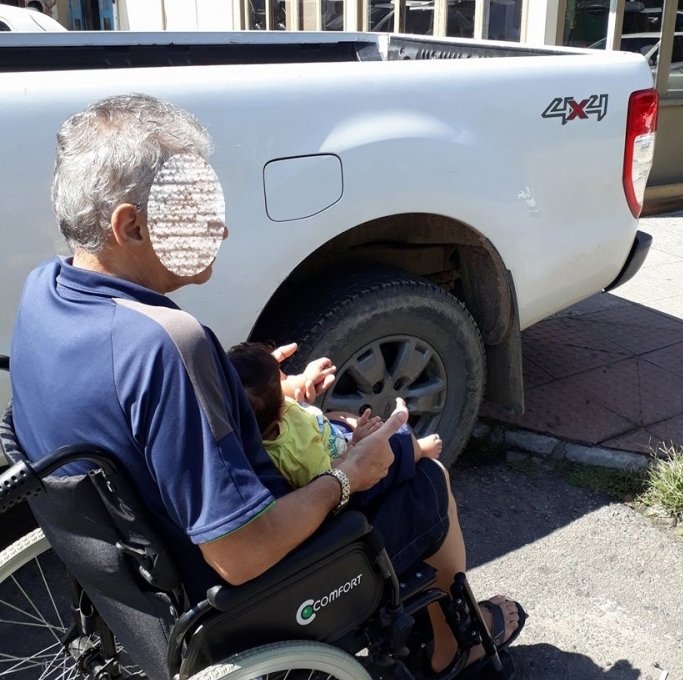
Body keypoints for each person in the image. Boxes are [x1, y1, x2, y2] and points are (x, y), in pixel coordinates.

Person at [9, 93, 524, 675]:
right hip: (239, 593)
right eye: (194, 209)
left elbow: (136, 416)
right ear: (129, 225)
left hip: (137, 576)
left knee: (355, 442)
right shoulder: (167, 343)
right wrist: (346, 477)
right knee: (426, 477)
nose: (219, 228)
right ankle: (460, 643)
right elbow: (241, 553)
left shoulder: (45, 293)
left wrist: (271, 399)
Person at [227, 340, 443, 494]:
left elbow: (274, 393)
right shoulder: (299, 455)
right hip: (341, 461)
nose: (286, 379)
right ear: (280, 413)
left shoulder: (247, 416)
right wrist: (356, 445)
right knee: (395, 441)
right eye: (282, 377)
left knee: (341, 417)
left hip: (323, 432)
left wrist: (303, 380)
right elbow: (332, 480)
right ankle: (420, 450)